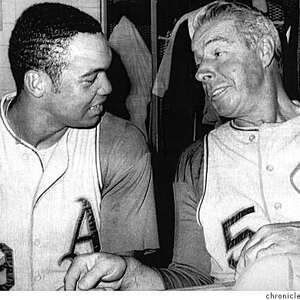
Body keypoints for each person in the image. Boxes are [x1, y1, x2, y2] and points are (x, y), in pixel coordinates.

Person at [64, 1, 300, 291]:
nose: (201, 72)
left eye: (217, 52)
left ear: (263, 51)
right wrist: (132, 273)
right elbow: (191, 276)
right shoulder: (196, 162)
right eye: (199, 61)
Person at [0, 2, 159, 291]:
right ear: (37, 84)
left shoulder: (120, 145)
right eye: (90, 78)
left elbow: (123, 274)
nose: (108, 88)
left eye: (106, 72)